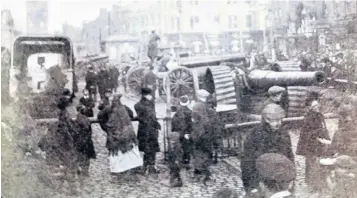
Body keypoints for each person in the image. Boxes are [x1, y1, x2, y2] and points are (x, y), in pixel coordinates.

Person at [241, 103, 294, 195]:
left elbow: (289, 156)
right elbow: (247, 162)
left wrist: (291, 178)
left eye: (280, 120)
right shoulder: (254, 135)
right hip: (262, 181)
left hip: (281, 181)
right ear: (266, 119)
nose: (279, 123)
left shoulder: (284, 134)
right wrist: (251, 186)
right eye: (275, 120)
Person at [38, 93, 79, 194]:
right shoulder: (65, 116)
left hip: (60, 143)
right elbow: (69, 130)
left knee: (61, 165)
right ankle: (68, 188)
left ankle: (62, 187)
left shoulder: (60, 116)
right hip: (63, 144)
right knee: (67, 165)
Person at [296, 92, 331, 192]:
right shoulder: (308, 117)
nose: (317, 107)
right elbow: (306, 133)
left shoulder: (319, 114)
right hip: (311, 144)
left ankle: (317, 183)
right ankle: (312, 185)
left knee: (317, 162)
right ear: (309, 107)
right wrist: (319, 133)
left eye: (317, 105)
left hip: (318, 142)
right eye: (314, 106)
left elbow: (323, 127)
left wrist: (325, 137)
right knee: (311, 163)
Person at [106, 94, 142, 182]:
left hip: (119, 137)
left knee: (119, 156)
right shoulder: (123, 109)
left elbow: (112, 124)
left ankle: (121, 176)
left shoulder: (115, 111)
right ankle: (130, 174)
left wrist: (109, 127)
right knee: (128, 155)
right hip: (127, 135)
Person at [134, 87, 161, 175]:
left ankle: (147, 167)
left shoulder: (138, 105)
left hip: (145, 129)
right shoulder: (148, 104)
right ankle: (149, 167)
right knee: (150, 148)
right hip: (149, 129)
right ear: (146, 95)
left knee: (147, 148)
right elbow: (150, 116)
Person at [191, 89, 213, 185]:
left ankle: (199, 170)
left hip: (199, 133)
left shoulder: (196, 105)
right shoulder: (203, 106)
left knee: (199, 152)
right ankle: (201, 170)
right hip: (202, 133)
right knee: (203, 152)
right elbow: (204, 121)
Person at [74, 105, 96, 177]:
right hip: (87, 140)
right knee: (87, 156)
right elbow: (90, 131)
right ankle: (85, 171)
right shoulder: (87, 119)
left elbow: (75, 131)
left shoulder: (77, 119)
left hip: (79, 140)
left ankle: (79, 168)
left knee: (79, 155)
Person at [171, 95, 193, 165]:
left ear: (180, 103)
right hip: (187, 132)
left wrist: (174, 130)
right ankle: (186, 160)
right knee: (186, 146)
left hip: (178, 132)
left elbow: (173, 122)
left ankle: (178, 159)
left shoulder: (177, 113)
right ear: (188, 102)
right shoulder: (190, 112)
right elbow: (191, 123)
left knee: (178, 146)